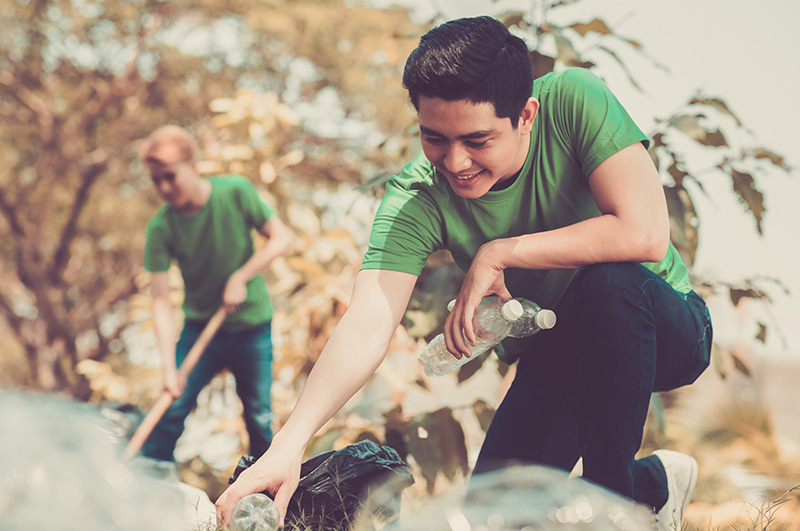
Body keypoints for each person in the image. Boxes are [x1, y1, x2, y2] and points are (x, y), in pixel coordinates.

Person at [216, 16, 712, 531]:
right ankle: (654, 485)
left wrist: (499, 252)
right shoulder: (417, 196)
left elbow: (644, 232)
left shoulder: (572, 99)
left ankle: (616, 515)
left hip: (661, 327)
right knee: (491, 518)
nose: (455, 162)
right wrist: (288, 445)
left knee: (610, 283)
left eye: (478, 140)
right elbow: (369, 321)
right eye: (435, 138)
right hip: (557, 353)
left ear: (525, 115)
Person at [138, 125, 291, 464]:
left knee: (259, 419)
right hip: (200, 331)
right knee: (170, 412)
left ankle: (265, 504)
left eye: (170, 176)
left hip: (252, 327)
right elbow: (160, 301)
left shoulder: (235, 192)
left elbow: (280, 238)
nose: (164, 187)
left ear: (192, 165)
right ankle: (149, 489)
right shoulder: (161, 228)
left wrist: (241, 275)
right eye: (156, 179)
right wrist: (168, 367)